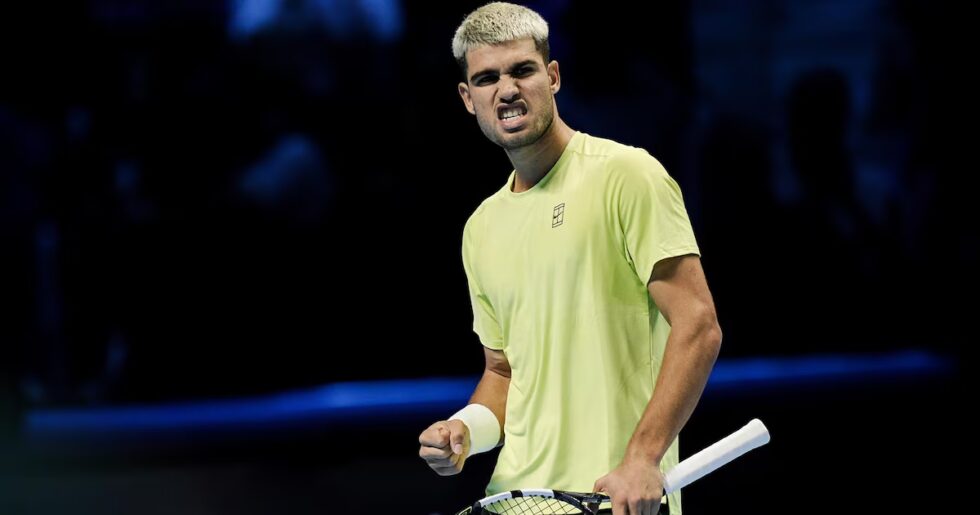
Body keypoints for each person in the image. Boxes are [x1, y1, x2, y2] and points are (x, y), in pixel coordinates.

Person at [418, 3, 722, 514]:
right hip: (515, 501)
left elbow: (698, 324)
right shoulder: (480, 228)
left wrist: (643, 458)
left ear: (553, 77)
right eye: (487, 78)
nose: (507, 90)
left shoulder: (627, 175)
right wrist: (464, 429)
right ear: (469, 99)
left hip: (613, 500)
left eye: (522, 70)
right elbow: (504, 373)